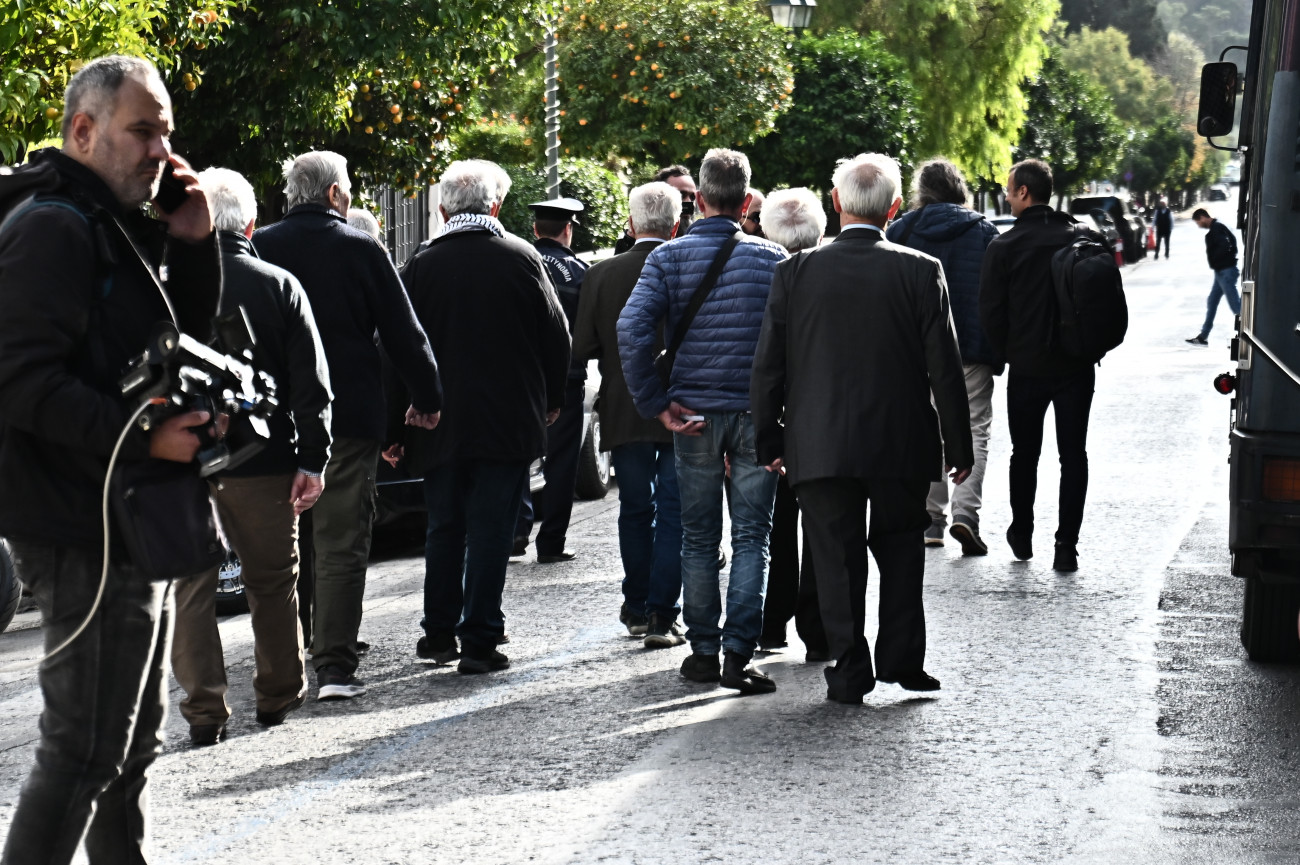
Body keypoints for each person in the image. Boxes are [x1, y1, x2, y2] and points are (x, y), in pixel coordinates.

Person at [0, 55, 221, 863]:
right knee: (85, 749)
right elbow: (19, 383)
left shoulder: (113, 220)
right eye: (142, 130)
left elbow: (176, 342)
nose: (161, 149)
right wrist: (141, 436)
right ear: (84, 131)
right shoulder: (53, 224)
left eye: (166, 130)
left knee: (126, 754)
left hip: (129, 515)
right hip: (81, 522)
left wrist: (194, 242)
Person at [752, 153, 972, 705]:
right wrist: (959, 443)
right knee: (901, 549)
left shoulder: (793, 273)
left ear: (836, 204)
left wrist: (768, 439)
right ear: (895, 209)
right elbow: (943, 366)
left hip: (818, 439)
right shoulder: (921, 270)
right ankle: (903, 660)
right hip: (899, 440)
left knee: (834, 555)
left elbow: (768, 366)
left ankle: (850, 669)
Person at [255, 151, 442, 701]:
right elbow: (403, 333)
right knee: (340, 538)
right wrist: (426, 398)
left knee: (288, 541)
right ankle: (333, 665)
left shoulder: (262, 244)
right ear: (336, 194)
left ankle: (287, 656)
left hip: (273, 416)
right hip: (346, 417)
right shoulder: (361, 247)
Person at [170, 167, 332, 745]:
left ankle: (204, 713)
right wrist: (313, 459)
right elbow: (311, 385)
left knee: (190, 589)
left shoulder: (162, 288)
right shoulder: (278, 285)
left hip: (183, 466)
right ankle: (276, 696)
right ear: (253, 223)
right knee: (271, 582)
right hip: (264, 463)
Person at [619, 148, 788, 694]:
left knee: (697, 535)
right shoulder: (773, 259)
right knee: (751, 535)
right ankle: (740, 652)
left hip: (690, 412)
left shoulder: (666, 258)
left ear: (701, 199)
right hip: (754, 414)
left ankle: (702, 651)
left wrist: (655, 402)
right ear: (745, 200)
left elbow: (632, 331)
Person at [398, 160, 570, 674]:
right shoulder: (522, 258)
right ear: (495, 207)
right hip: (507, 419)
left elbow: (398, 344)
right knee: (492, 528)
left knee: (444, 526)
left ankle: (438, 633)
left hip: (438, 419)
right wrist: (552, 397)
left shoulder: (421, 264)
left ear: (443, 209)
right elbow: (556, 335)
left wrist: (396, 422)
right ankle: (480, 638)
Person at [979, 158, 1106, 573]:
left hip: (1028, 368)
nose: (1005, 194)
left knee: (1024, 454)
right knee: (1074, 455)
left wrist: (1005, 355)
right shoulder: (1080, 236)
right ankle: (1066, 543)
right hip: (1075, 366)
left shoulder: (1004, 246)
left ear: (1023, 193)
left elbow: (991, 314)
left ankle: (1022, 531)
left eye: (1009, 188)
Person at [573, 181, 684, 646]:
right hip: (684, 407)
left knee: (635, 509)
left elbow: (583, 347)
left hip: (625, 406)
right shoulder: (687, 267)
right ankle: (662, 613)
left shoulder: (601, 275)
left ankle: (636, 604)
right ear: (676, 224)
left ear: (631, 223)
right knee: (676, 511)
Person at [886, 158, 1000, 555]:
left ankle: (932, 519)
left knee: (927, 430)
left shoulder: (901, 229)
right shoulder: (983, 230)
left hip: (915, 349)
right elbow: (994, 296)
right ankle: (966, 515)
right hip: (970, 348)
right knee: (974, 429)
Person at [755, 188, 829, 661]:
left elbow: (761, 361)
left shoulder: (764, 269)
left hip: (778, 416)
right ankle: (817, 629)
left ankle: (773, 622)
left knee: (775, 527)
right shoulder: (832, 272)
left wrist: (763, 432)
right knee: (824, 529)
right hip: (822, 420)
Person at [514, 197, 589, 563]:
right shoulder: (578, 272)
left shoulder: (516, 261)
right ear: (567, 229)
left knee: (517, 454)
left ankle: (515, 533)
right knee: (561, 462)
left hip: (520, 377)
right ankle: (552, 542)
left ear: (535, 229)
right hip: (567, 379)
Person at [1185, 207, 1240, 346]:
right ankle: (1203, 336)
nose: (1199, 226)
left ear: (1203, 217)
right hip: (1221, 271)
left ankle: (1246, 335)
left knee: (1236, 306)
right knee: (1212, 301)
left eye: (1198, 222)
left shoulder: (1216, 228)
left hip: (1225, 271)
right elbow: (1231, 243)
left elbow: (1226, 245)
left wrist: (1219, 260)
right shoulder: (1218, 226)